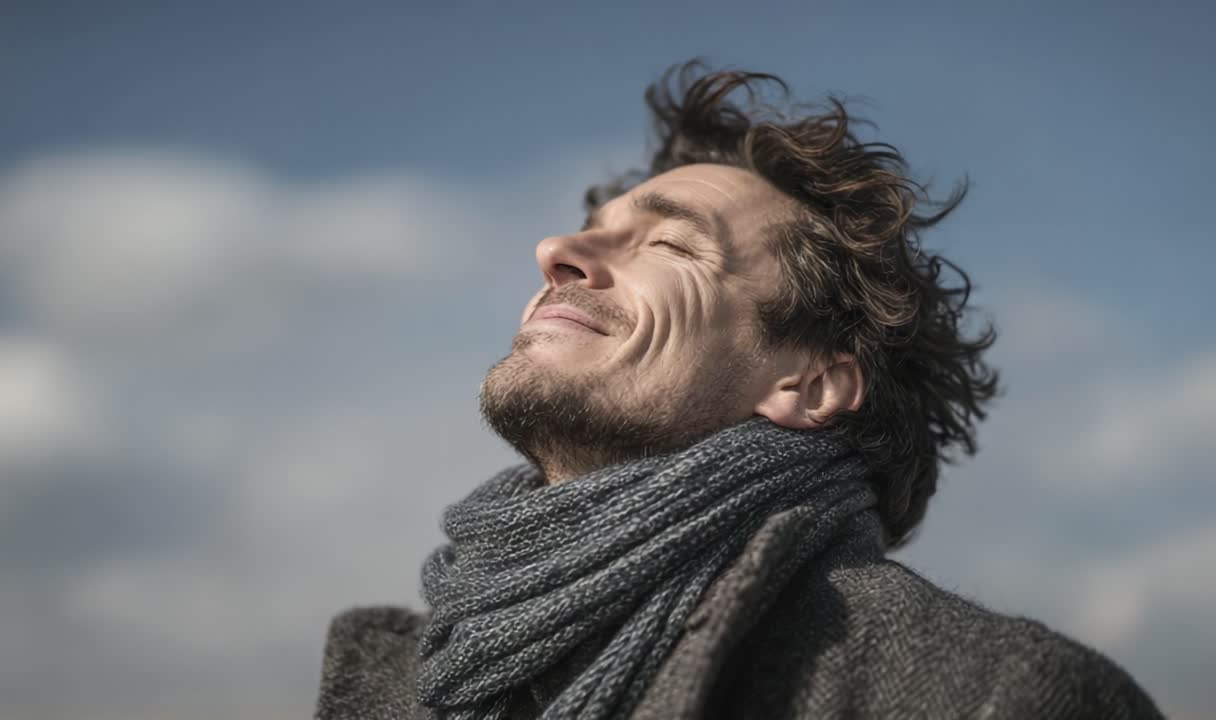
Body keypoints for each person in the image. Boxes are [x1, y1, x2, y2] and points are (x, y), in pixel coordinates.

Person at [314, 63, 1163, 720]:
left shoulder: (996, 696)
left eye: (674, 248)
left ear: (810, 383)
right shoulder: (396, 674)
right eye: (596, 230)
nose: (554, 249)